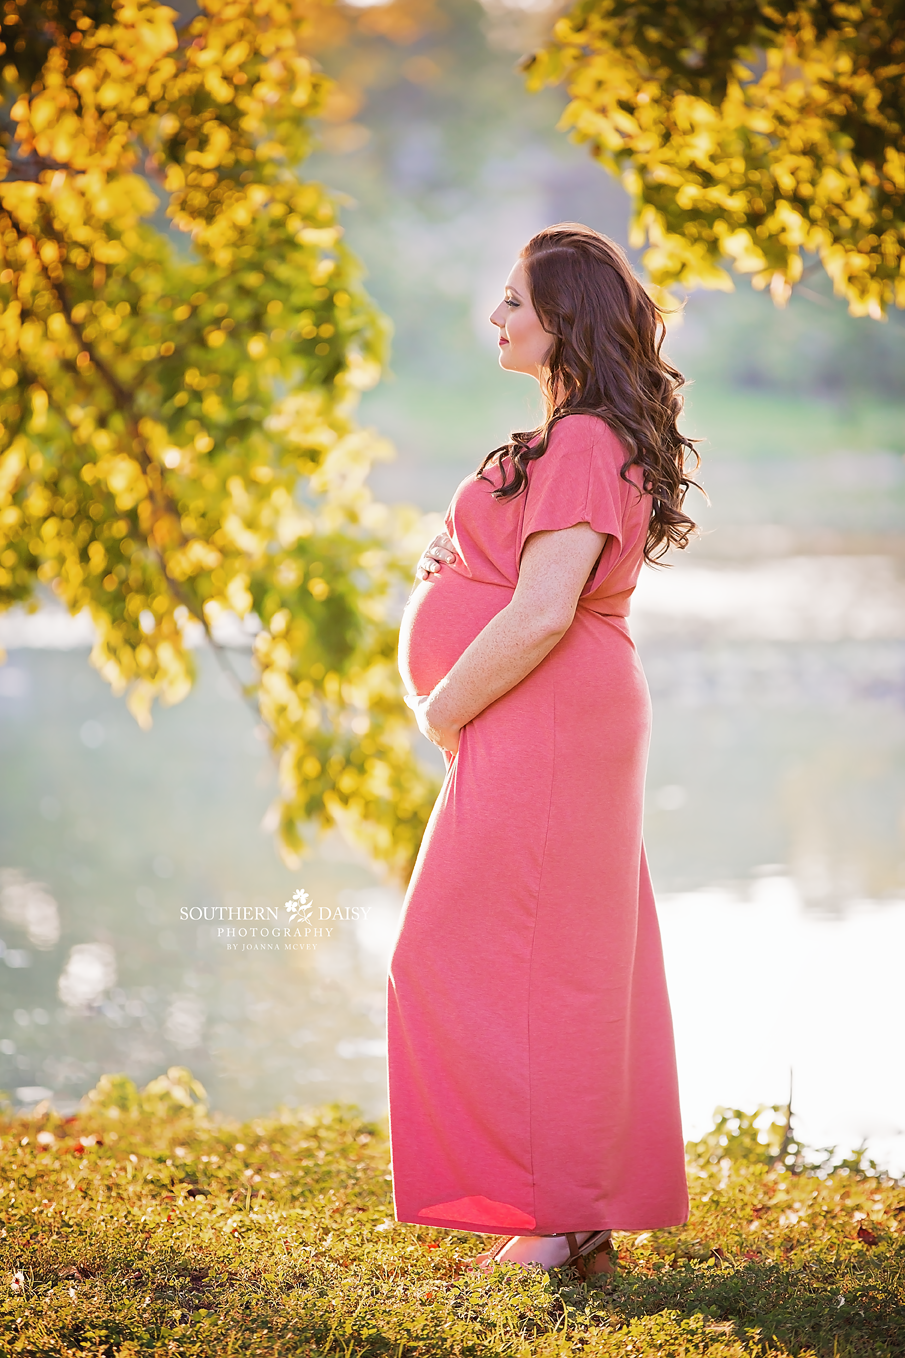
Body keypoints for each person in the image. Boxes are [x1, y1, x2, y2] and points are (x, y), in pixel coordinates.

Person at [387, 223, 696, 1278]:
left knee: (500, 960)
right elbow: (523, 575)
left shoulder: (586, 441)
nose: (497, 316)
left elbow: (541, 611)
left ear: (563, 319)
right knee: (541, 959)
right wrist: (451, 556)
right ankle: (566, 1213)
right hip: (545, 714)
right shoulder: (575, 438)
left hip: (548, 714)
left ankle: (558, 1218)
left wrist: (440, 708)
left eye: (514, 301)